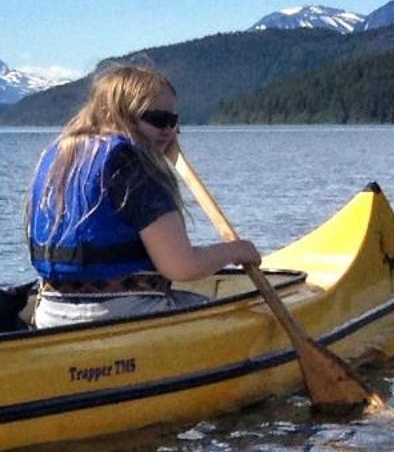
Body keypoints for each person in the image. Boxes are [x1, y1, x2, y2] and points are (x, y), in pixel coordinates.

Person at [25, 64, 259, 329]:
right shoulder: (131, 164)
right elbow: (181, 266)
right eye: (158, 120)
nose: (169, 130)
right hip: (125, 313)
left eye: (173, 121)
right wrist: (237, 250)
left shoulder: (58, 155)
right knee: (244, 318)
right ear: (118, 114)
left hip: (50, 315)